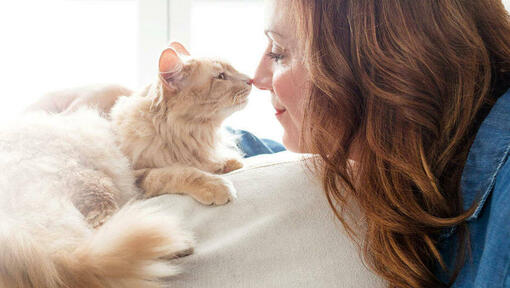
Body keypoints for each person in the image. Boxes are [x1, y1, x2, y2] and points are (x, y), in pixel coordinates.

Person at [27, 0, 510, 287]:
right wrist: (132, 111)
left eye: (279, 53)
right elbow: (247, 157)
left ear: (382, 64)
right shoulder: (412, 156)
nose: (257, 78)